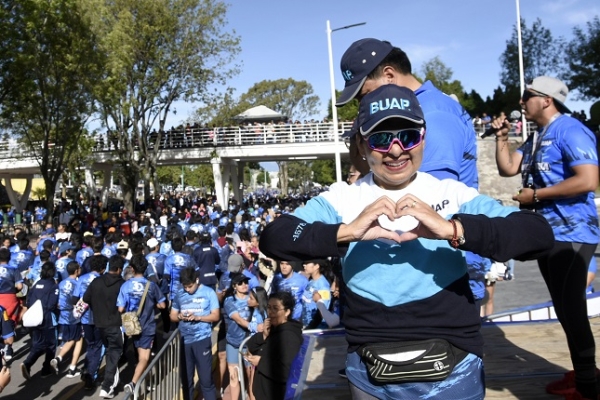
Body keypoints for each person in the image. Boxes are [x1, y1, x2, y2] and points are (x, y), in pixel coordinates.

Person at [258, 85, 553, 399]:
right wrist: (347, 232)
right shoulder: (343, 199)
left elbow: (537, 234)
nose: (396, 150)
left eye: (408, 136)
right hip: (369, 369)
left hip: (453, 364)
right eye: (381, 139)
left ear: (424, 138)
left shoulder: (451, 194)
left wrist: (453, 230)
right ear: (361, 143)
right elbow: (275, 238)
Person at [336, 38, 490, 314]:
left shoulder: (433, 115)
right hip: (424, 266)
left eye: (363, 94)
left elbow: (432, 203)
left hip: (440, 267)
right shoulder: (420, 110)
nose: (363, 104)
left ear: (390, 75)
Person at [492, 76, 599, 400]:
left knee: (573, 309)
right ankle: (583, 374)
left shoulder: (570, 129)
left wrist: (536, 194)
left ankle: (589, 387)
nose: (522, 102)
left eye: (527, 96)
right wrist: (501, 138)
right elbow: (509, 168)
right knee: (564, 309)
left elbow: (589, 179)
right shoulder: (539, 135)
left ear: (547, 99)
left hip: (574, 232)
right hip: (549, 233)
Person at [117, 254, 166, 394]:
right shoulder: (152, 286)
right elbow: (162, 305)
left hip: (132, 325)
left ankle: (143, 382)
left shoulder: (125, 286)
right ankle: (133, 383)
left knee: (140, 357)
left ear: (131, 269)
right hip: (148, 325)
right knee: (145, 357)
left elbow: (120, 308)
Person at [170, 267, 220, 400]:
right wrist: (180, 316)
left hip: (202, 341)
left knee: (206, 381)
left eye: (190, 286)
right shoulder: (179, 294)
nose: (187, 290)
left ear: (197, 280)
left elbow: (215, 316)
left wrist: (198, 317)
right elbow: (172, 316)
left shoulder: (209, 292)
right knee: (186, 381)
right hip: (184, 342)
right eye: (185, 287)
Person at [245, 291, 303, 400]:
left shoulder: (288, 336)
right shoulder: (273, 330)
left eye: (275, 308)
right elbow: (252, 346)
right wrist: (264, 335)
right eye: (269, 307)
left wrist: (261, 362)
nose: (270, 312)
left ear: (287, 312)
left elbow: (286, 371)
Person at [83, 255, 125, 399]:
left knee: (110, 352)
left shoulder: (96, 282)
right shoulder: (122, 284)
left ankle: (113, 380)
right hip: (116, 324)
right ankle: (107, 385)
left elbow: (86, 298)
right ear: (119, 269)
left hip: (99, 324)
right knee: (114, 353)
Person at [20, 262, 59, 380]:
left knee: (38, 343)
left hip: (34, 318)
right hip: (47, 318)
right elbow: (52, 304)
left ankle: (28, 363)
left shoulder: (36, 285)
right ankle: (46, 369)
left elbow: (29, 301)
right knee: (51, 344)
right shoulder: (53, 286)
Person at [52, 260, 84, 378]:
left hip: (63, 315)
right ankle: (70, 366)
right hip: (73, 315)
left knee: (69, 339)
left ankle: (61, 360)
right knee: (78, 339)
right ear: (76, 271)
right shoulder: (78, 283)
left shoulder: (61, 283)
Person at [223, 273, 252, 400]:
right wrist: (254, 327)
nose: (244, 285)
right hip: (234, 343)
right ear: (234, 286)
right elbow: (238, 320)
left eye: (246, 282)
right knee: (233, 377)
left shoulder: (253, 298)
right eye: (240, 283)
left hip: (250, 344)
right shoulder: (229, 301)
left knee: (251, 377)